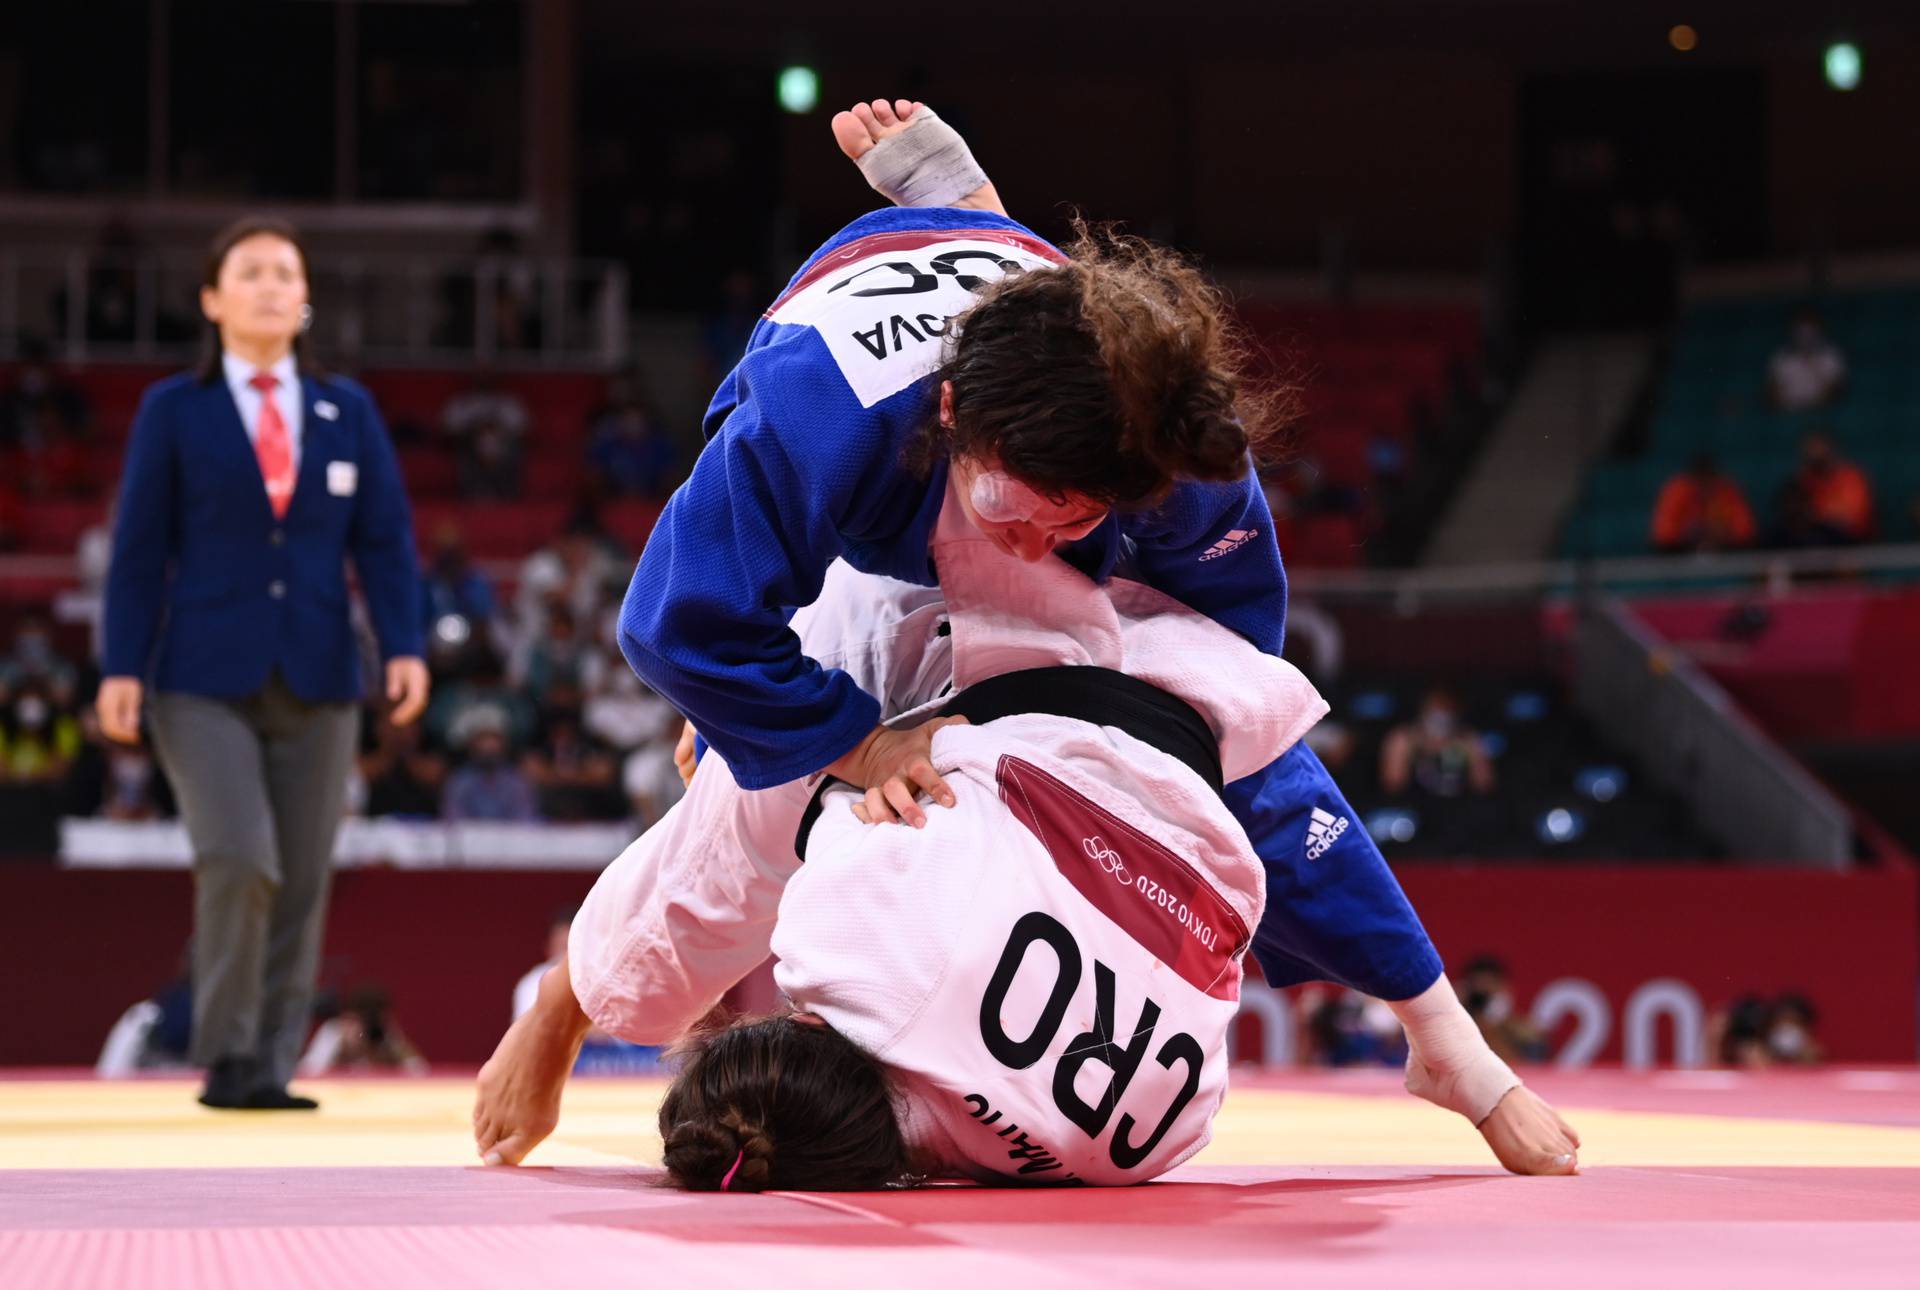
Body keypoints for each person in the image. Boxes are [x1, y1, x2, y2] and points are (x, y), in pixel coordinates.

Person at [602, 98, 1571, 1167]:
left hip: (1030, 332)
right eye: (1018, 507)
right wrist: (826, 734)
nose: (1037, 544)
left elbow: (1230, 655)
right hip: (879, 416)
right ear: (953, 416)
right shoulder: (813, 417)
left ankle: (1451, 1047)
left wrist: (1181, 735)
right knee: (758, 698)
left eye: (1077, 518)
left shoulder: (1182, 459)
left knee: (1235, 743)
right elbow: (674, 625)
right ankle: (961, 211)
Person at [476, 500, 1581, 1184]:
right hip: (1088, 689)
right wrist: (758, 722)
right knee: (781, 775)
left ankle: (1458, 1059)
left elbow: (735, 855)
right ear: (801, 1015)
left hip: (1192, 856)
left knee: (770, 782)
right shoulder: (847, 949)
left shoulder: (1059, 1165)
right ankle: (982, 235)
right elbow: (758, 827)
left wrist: (753, 718)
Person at [98, 217, 427, 1111]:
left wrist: (403, 644)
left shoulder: (345, 410)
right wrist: (118, 663)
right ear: (212, 300)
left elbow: (387, 541)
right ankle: (224, 1049)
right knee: (242, 859)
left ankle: (267, 1064)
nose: (273, 285)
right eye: (250, 272)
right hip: (198, 676)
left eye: (286, 271)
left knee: (304, 872)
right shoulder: (176, 408)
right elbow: (138, 548)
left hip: (321, 674)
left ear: (305, 296)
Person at [1379, 688, 1495, 798]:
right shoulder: (1403, 739)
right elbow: (1392, 785)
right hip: (1415, 807)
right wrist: (1412, 750)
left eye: (1446, 716)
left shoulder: (1468, 740)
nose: (1440, 723)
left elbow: (1485, 786)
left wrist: (1472, 754)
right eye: (1436, 715)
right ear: (1423, 712)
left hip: (1460, 808)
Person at [1775, 431, 1874, 547]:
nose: (1815, 454)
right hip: (1806, 541)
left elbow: (1853, 520)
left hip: (1849, 544)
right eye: (1810, 451)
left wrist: (1816, 514)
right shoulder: (1802, 480)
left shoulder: (1850, 478)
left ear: (1831, 450)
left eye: (1819, 449)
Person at [1651, 454, 1756, 554]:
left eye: (1708, 478)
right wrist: (1689, 537)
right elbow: (1664, 535)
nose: (1704, 484)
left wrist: (1720, 536)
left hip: (1726, 552)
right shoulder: (1677, 491)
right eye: (1700, 478)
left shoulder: (1726, 490)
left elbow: (1745, 531)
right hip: (1681, 555)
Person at [1767, 308, 1847, 411]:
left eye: (1810, 330)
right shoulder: (1780, 359)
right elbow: (1774, 393)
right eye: (1801, 331)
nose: (1806, 336)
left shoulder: (1831, 356)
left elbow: (1834, 392)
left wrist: (1812, 407)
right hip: (1789, 413)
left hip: (1822, 412)